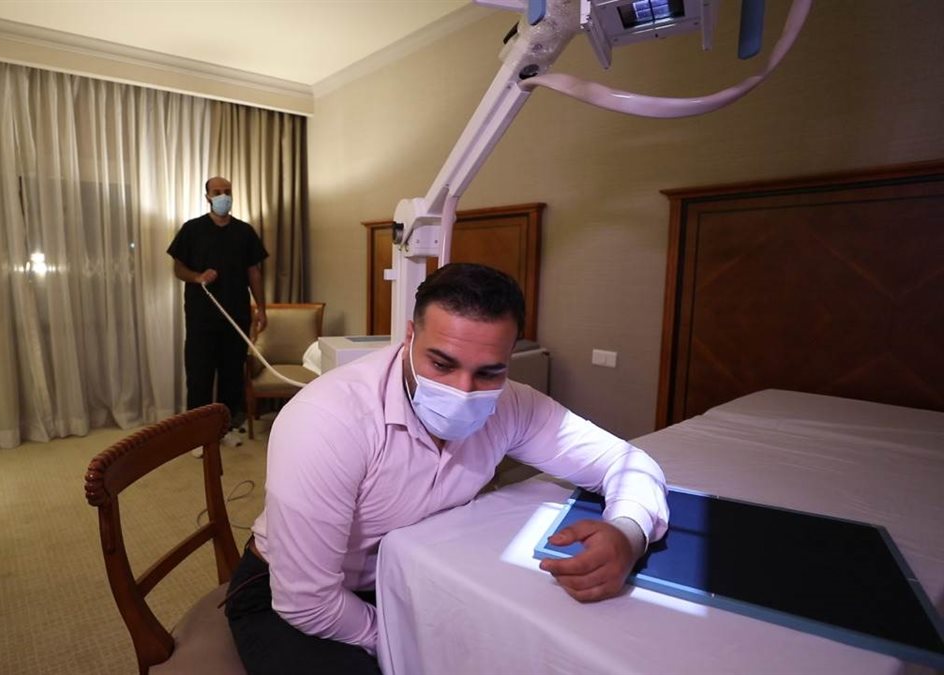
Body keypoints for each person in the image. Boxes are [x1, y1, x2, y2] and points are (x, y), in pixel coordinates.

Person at [224, 262, 669, 674]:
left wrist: (629, 533)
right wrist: (402, 642)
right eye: (442, 364)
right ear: (409, 337)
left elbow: (626, 462)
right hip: (290, 596)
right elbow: (306, 601)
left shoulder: (512, 405)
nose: (463, 391)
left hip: (411, 574)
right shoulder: (328, 420)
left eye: (489, 372)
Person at [167, 176, 268, 447]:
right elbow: (178, 268)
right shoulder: (192, 229)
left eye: (227, 191)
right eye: (217, 192)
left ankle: (226, 428)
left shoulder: (244, 232)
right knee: (199, 375)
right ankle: (196, 435)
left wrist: (261, 309)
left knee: (231, 375)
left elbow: (254, 272)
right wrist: (197, 277)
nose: (223, 196)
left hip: (236, 316)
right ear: (207, 197)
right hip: (202, 317)